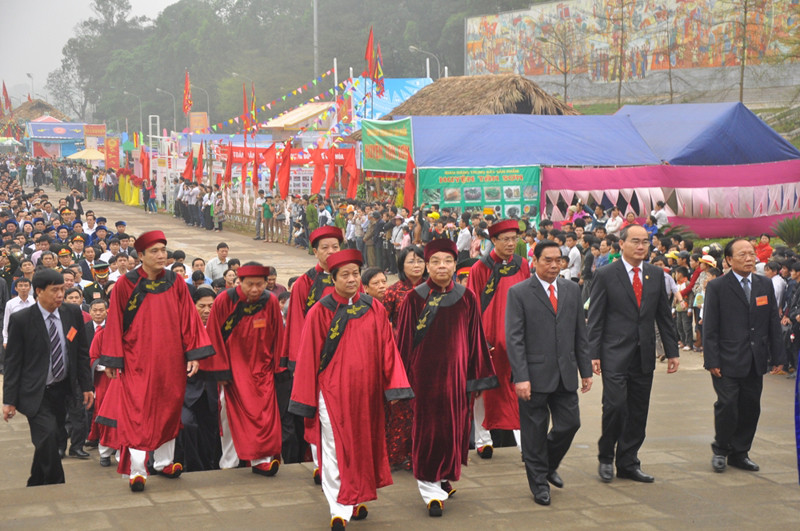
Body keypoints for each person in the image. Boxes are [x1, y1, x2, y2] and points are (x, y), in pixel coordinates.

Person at [288, 249, 414, 530]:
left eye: (356, 274)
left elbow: (388, 351)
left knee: (361, 447)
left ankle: (354, 496)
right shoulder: (320, 312)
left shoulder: (374, 308)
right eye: (345, 275)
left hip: (367, 395)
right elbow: (309, 356)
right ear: (332, 279)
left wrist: (394, 388)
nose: (352, 279)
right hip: (331, 395)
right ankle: (339, 507)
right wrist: (306, 398)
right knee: (333, 447)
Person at [95, 230, 214, 492]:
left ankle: (164, 462)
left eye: (163, 250)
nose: (162, 256)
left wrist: (193, 353)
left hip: (171, 359)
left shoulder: (175, 282)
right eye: (155, 251)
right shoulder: (126, 284)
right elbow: (114, 323)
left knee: (169, 408)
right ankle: (138, 469)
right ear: (140, 256)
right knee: (139, 411)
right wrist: (113, 360)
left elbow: (189, 320)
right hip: (137, 359)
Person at [396, 238, 497, 517]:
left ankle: (442, 475)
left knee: (453, 431)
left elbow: (475, 339)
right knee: (427, 432)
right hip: (423, 381)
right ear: (427, 265)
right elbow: (403, 343)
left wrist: (477, 378)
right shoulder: (414, 298)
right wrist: (399, 384)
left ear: (455, 264)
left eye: (448, 261)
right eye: (436, 262)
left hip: (457, 379)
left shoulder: (467, 297)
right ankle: (430, 491)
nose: (442, 266)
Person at [587, 224, 679, 484]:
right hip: (614, 352)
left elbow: (663, 315)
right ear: (622, 244)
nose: (641, 246)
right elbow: (595, 318)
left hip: (644, 353)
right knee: (615, 406)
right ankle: (606, 456)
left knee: (638, 410)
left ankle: (628, 462)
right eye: (635, 241)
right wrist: (593, 353)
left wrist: (671, 351)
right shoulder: (606, 274)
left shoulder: (655, 274)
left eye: (645, 242)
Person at [506, 240, 593, 506]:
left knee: (570, 424)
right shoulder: (519, 292)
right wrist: (521, 376)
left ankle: (546, 464)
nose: (555, 265)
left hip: (565, 372)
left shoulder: (570, 290)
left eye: (559, 260)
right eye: (548, 260)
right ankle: (539, 485)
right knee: (533, 432)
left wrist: (585, 369)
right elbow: (514, 338)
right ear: (535, 261)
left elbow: (580, 333)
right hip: (533, 376)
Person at [2, 268, 93, 486]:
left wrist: (86, 386)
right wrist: (9, 400)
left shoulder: (72, 314)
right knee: (50, 436)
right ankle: (56, 485)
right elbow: (13, 362)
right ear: (39, 292)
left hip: (62, 390)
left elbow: (80, 352)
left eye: (62, 289)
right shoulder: (22, 319)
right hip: (36, 392)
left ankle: (36, 481)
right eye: (55, 290)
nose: (60, 294)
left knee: (50, 439)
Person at [703, 238, 784, 473]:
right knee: (727, 405)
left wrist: (778, 356)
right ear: (729, 260)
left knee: (751, 407)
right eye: (743, 255)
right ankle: (721, 449)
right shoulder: (718, 287)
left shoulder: (763, 285)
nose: (750, 259)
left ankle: (740, 452)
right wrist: (712, 360)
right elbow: (710, 327)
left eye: (752, 254)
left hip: (755, 358)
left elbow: (772, 322)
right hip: (726, 359)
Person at [201, 263, 285, 476]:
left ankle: (262, 459)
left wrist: (278, 365)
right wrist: (220, 370)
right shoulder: (224, 301)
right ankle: (228, 461)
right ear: (239, 281)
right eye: (250, 285)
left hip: (262, 367)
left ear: (267, 283)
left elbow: (278, 335)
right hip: (233, 367)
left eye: (259, 284)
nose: (255, 289)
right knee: (228, 415)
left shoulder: (271, 301)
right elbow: (214, 335)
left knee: (264, 414)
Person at [280, 226, 343, 469]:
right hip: (315, 359)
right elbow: (296, 323)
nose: (330, 252)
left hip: (344, 357)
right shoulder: (305, 282)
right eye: (325, 248)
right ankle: (320, 464)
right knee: (317, 412)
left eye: (335, 247)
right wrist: (298, 363)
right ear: (315, 251)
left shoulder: (349, 277)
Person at [467, 219, 530, 457]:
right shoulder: (480, 268)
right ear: (493, 241)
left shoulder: (522, 264)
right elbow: (473, 306)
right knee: (483, 390)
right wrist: (479, 340)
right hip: (489, 340)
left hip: (517, 337)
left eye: (515, 239)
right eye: (506, 239)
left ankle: (525, 442)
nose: (512, 244)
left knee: (519, 387)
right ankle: (483, 440)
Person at [175, 286, 221, 472]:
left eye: (211, 306)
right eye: (202, 306)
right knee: (187, 425)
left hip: (212, 389)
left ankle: (211, 465)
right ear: (192, 306)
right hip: (186, 390)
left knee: (210, 430)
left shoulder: (219, 328)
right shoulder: (183, 328)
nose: (207, 310)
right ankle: (192, 466)